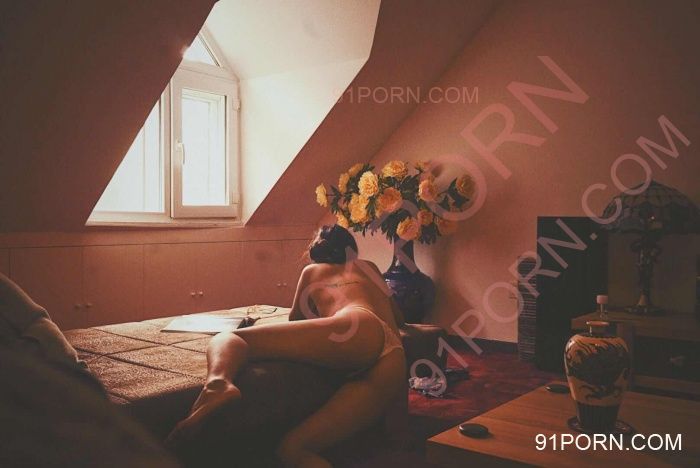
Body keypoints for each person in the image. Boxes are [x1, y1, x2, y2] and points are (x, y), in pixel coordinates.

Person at [168, 225, 406, 468]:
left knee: (232, 338)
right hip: (392, 358)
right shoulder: (370, 267)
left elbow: (296, 318)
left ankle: (218, 383)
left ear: (316, 251)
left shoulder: (312, 270)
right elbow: (399, 317)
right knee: (294, 449)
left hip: (356, 327)